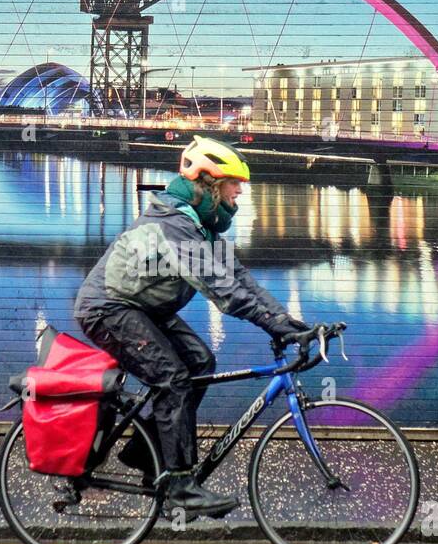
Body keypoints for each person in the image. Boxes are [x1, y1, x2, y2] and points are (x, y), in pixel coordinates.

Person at [74, 136, 309, 519]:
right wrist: (275, 327)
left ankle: (146, 455)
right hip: (109, 308)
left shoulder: (200, 227)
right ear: (209, 184)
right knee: (173, 379)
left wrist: (289, 324)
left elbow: (239, 280)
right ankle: (180, 485)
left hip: (143, 307)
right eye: (233, 184)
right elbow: (222, 291)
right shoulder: (174, 225)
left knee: (200, 363)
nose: (239, 192)